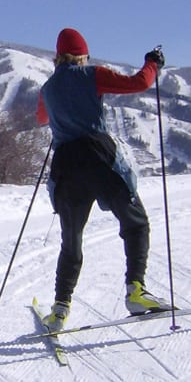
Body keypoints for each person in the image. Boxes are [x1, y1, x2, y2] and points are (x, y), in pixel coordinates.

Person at [36, 27, 168, 330]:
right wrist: (153, 63)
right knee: (135, 222)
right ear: (83, 55)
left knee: (71, 241)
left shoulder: (48, 89)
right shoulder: (92, 75)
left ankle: (60, 310)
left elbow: (41, 118)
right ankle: (136, 291)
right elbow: (140, 83)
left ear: (58, 57)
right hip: (99, 157)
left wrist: (61, 113)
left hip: (65, 166)